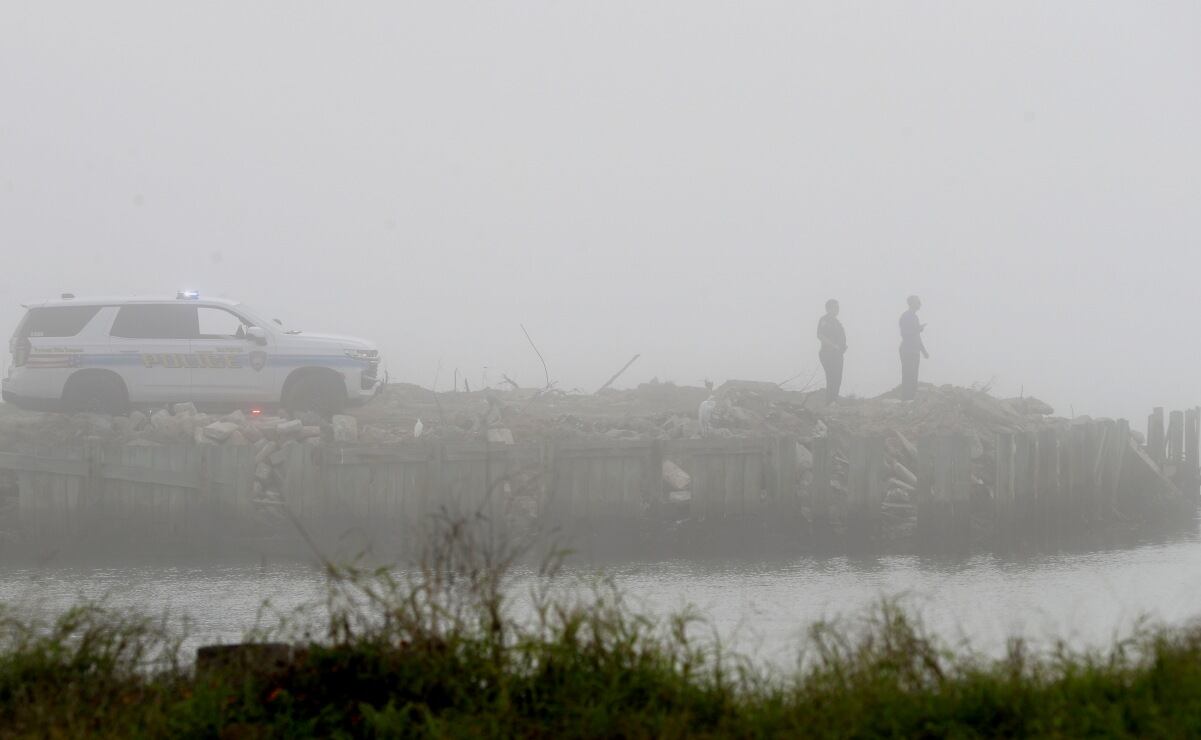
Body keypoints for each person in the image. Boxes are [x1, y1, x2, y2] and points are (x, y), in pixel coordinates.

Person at [816, 299, 847, 404]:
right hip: (827, 353)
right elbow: (820, 335)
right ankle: (830, 402)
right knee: (831, 376)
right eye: (835, 307)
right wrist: (833, 345)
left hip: (838, 354)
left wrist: (842, 347)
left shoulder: (838, 323)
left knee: (838, 377)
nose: (837, 309)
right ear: (828, 308)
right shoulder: (824, 320)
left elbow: (842, 338)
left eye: (838, 307)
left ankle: (834, 400)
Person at [899, 295, 929, 401]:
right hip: (907, 350)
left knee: (913, 376)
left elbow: (917, 336)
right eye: (918, 302)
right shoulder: (906, 316)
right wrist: (918, 329)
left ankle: (911, 399)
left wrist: (924, 351)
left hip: (914, 350)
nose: (920, 304)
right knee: (908, 375)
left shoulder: (914, 317)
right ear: (912, 303)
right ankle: (906, 399)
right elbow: (905, 334)